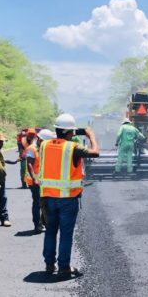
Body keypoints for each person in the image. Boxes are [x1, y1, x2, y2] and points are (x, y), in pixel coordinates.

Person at [38, 113, 100, 275]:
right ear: (68, 132)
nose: (74, 134)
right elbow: (95, 152)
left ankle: (49, 265)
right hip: (67, 199)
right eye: (72, 132)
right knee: (66, 233)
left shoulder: (44, 145)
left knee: (51, 231)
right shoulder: (73, 147)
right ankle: (64, 267)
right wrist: (91, 136)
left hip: (47, 197)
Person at [24, 129, 55, 234]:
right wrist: (34, 179)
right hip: (34, 182)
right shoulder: (31, 149)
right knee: (37, 203)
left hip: (44, 181)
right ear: (39, 139)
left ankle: (43, 222)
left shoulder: (44, 148)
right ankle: (37, 225)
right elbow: (29, 164)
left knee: (45, 202)